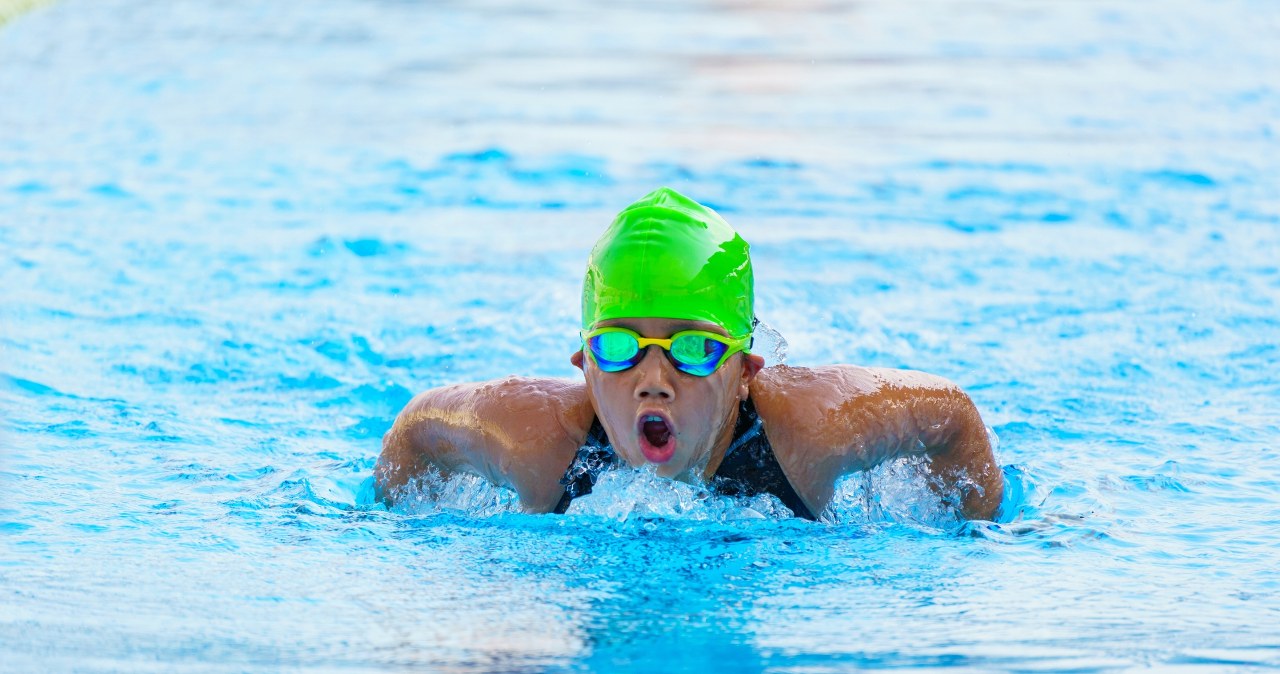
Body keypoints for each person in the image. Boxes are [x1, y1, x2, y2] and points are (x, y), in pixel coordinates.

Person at [375, 187, 1003, 520]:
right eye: (619, 347)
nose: (654, 379)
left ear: (745, 374)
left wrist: (972, 532)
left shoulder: (811, 431)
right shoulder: (533, 441)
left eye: (694, 348)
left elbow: (952, 414)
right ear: (584, 367)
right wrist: (390, 527)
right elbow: (413, 432)